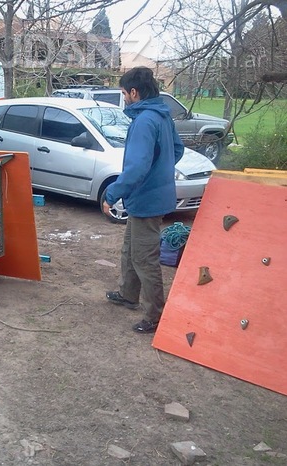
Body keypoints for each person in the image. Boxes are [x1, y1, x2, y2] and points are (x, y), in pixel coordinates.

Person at [103, 67, 184, 334]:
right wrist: (161, 171)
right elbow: (177, 149)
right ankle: (128, 294)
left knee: (145, 258)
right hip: (149, 198)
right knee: (130, 249)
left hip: (147, 200)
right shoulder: (162, 116)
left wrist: (112, 193)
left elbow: (137, 167)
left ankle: (155, 315)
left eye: (125, 93)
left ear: (134, 93)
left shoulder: (145, 121)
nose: (124, 97)